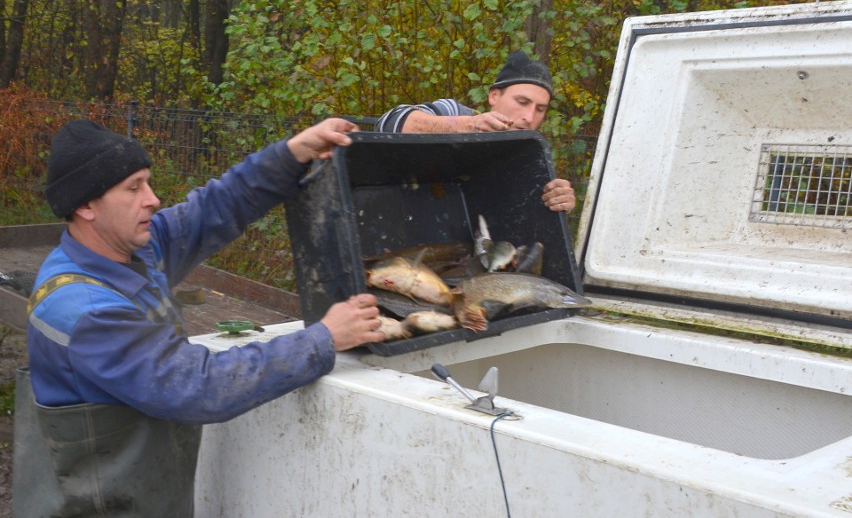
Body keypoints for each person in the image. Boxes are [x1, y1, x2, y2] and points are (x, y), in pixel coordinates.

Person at [17, 118, 386, 517]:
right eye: (134, 187)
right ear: (86, 206)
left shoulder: (133, 251)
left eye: (148, 182)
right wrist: (323, 338)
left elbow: (214, 208)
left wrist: (293, 152)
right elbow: (196, 385)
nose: (153, 199)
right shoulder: (83, 310)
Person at [374, 50, 577, 213]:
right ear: (494, 96)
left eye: (540, 109)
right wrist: (468, 126)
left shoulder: (531, 153)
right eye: (522, 102)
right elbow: (389, 123)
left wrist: (558, 201)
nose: (530, 117)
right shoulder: (453, 112)